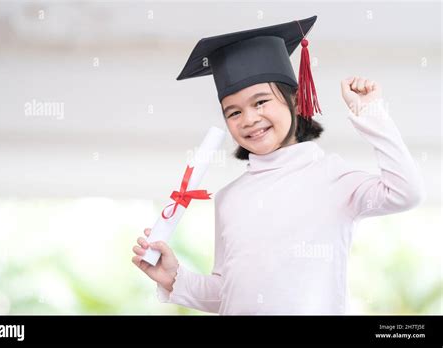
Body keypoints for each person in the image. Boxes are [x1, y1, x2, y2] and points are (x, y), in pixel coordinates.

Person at [132, 16, 425, 314]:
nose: (248, 119)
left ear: (296, 102)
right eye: (233, 112)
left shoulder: (332, 178)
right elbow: (229, 293)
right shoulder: (228, 198)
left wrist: (371, 114)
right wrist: (173, 278)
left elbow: (405, 192)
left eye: (260, 102)